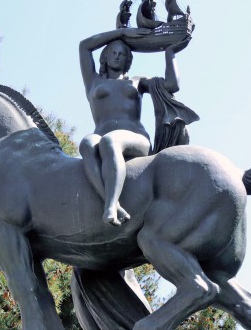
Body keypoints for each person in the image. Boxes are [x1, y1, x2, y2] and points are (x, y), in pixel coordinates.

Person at [79, 28, 186, 225]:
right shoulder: (92, 80)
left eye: (122, 54)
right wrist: (122, 33)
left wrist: (170, 54)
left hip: (134, 137)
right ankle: (111, 201)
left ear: (128, 59)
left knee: (111, 142)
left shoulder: (137, 81)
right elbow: (84, 46)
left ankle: (110, 206)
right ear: (105, 56)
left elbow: (172, 85)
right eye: (113, 52)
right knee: (86, 143)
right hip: (100, 136)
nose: (117, 56)